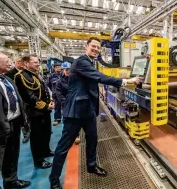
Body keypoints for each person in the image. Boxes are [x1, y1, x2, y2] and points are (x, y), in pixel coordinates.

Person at [49, 37, 141, 189]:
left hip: (89, 111)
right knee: (64, 146)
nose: (96, 49)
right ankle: (54, 179)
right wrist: (126, 81)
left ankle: (91, 166)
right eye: (93, 46)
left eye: (98, 48)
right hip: (75, 113)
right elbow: (100, 77)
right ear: (86, 47)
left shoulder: (90, 62)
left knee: (93, 139)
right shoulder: (81, 61)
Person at [0, 51, 31, 189]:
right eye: (6, 59)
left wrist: (23, 120)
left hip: (13, 123)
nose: (10, 62)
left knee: (11, 155)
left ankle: (11, 180)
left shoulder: (6, 79)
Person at [14, 54, 54, 169]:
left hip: (44, 110)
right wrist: (45, 106)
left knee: (46, 132)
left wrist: (50, 101)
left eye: (38, 62)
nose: (38, 64)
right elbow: (30, 97)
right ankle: (39, 160)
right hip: (35, 112)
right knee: (37, 136)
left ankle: (46, 150)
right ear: (26, 64)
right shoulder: (21, 76)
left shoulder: (34, 75)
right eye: (35, 62)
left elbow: (44, 90)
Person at [5, 56, 30, 143]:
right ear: (17, 63)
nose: (22, 64)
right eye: (20, 62)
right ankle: (26, 133)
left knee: (27, 116)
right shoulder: (10, 73)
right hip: (16, 99)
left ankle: (30, 130)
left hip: (26, 98)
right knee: (22, 117)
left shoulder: (25, 72)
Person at [55, 62, 81, 144]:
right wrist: (65, 102)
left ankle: (76, 135)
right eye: (65, 69)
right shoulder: (60, 82)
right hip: (66, 104)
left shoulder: (76, 79)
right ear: (62, 70)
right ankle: (68, 136)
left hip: (76, 103)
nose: (67, 71)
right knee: (66, 120)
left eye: (68, 69)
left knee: (76, 119)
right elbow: (58, 93)